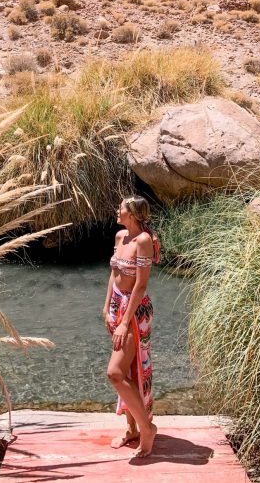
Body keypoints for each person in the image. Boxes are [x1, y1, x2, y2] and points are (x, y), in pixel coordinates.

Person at [103, 194, 160, 458]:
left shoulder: (143, 241)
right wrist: (106, 308)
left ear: (133, 214)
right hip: (117, 306)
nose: (118, 210)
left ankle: (147, 428)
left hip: (135, 313)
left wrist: (125, 322)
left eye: (121, 208)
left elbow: (140, 285)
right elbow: (114, 275)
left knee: (115, 372)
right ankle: (132, 428)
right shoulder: (120, 237)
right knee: (127, 370)